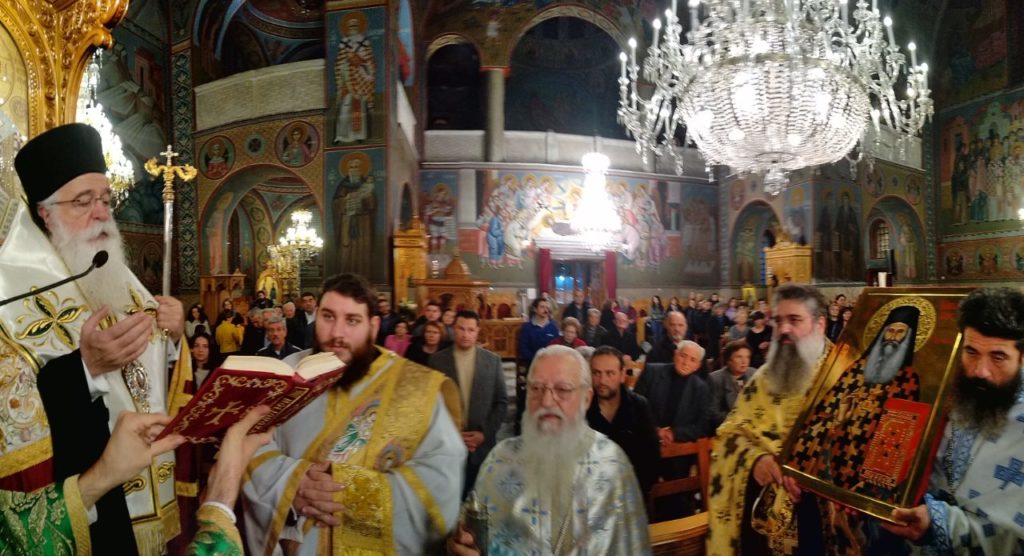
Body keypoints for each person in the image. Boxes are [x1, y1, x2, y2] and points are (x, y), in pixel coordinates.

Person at [1, 123, 188, 554]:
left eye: (105, 199)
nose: (101, 213)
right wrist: (85, 369)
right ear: (44, 213)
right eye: (83, 202)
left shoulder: (109, 268)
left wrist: (174, 336)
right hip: (85, 499)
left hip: (146, 478)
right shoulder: (8, 291)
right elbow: (14, 409)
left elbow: (151, 370)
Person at [243, 273, 465, 554]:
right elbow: (252, 442)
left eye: (352, 320)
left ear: (373, 326)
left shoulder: (416, 388)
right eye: (328, 317)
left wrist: (345, 491)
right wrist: (290, 482)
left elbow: (441, 482)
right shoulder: (288, 373)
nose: (338, 333)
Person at [446, 345, 650, 554]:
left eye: (563, 390)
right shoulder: (500, 458)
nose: (546, 401)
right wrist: (462, 544)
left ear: (586, 399)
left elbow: (632, 547)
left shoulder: (612, 463)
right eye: (536, 388)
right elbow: (471, 534)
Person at [882, 287, 1024, 554]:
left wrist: (940, 524)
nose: (980, 371)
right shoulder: (948, 396)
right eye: (971, 352)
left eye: (998, 357)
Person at [708, 284, 831, 555]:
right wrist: (755, 460)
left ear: (820, 324)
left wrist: (808, 472)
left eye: (794, 320)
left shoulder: (847, 378)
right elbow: (729, 434)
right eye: (778, 320)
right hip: (761, 519)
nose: (783, 329)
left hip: (820, 523)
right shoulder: (762, 378)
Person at [788, 305, 923, 499]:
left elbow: (900, 435)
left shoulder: (907, 379)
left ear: (908, 338)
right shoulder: (857, 367)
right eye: (890, 331)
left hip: (868, 464)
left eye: (900, 332)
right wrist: (839, 419)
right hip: (837, 452)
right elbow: (822, 412)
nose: (893, 337)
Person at [428, 310, 508, 497]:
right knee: (449, 498)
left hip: (482, 446)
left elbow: (501, 402)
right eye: (461, 329)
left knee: (481, 498)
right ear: (453, 329)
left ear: (478, 331)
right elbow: (430, 404)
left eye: (471, 330)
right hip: (447, 446)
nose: (465, 334)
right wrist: (451, 434)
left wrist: (483, 434)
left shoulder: (492, 361)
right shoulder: (437, 361)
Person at [586, 345, 660, 499]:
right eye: (596, 373)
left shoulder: (639, 406)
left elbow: (651, 459)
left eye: (609, 373)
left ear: (622, 375)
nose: (602, 380)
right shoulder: (582, 408)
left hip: (632, 495)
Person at [516, 297, 560, 432]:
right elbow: (523, 348)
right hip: (532, 365)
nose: (545, 310)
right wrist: (537, 359)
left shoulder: (552, 327)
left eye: (547, 307)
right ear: (535, 309)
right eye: (542, 307)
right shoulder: (527, 327)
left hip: (550, 366)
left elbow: (556, 346)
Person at [333, 12, 375, 144]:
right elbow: (339, 62)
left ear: (359, 27)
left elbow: (369, 62)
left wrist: (359, 63)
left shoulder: (364, 42)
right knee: (345, 109)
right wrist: (347, 64)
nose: (352, 28)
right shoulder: (344, 42)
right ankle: (341, 136)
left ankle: (358, 135)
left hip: (360, 80)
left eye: (355, 26)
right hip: (347, 79)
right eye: (350, 26)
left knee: (359, 109)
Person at [332, 154, 376, 272]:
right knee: (346, 251)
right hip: (347, 223)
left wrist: (365, 198)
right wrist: (345, 200)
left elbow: (372, 205)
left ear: (361, 170)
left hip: (363, 223)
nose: (353, 170)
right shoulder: (343, 186)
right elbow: (335, 204)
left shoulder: (366, 185)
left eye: (356, 167)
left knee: (361, 251)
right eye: (351, 167)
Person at [706, 340, 755, 432]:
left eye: (747, 357)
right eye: (739, 357)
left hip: (753, 427)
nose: (744, 361)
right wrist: (739, 421)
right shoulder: (715, 379)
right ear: (728, 360)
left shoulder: (754, 374)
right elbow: (713, 413)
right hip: (727, 428)